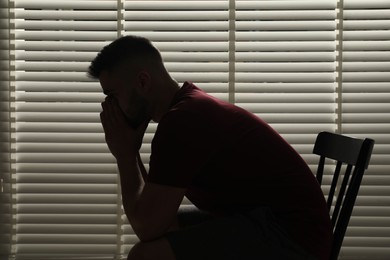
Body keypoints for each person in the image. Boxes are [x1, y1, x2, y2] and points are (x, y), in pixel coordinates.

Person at [88, 35, 332, 260]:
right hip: (265, 222)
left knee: (146, 256)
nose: (108, 106)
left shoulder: (182, 122)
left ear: (142, 82)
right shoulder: (187, 108)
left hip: (293, 238)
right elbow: (156, 218)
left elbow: (146, 226)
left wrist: (124, 153)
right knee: (165, 231)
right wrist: (129, 150)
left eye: (112, 95)